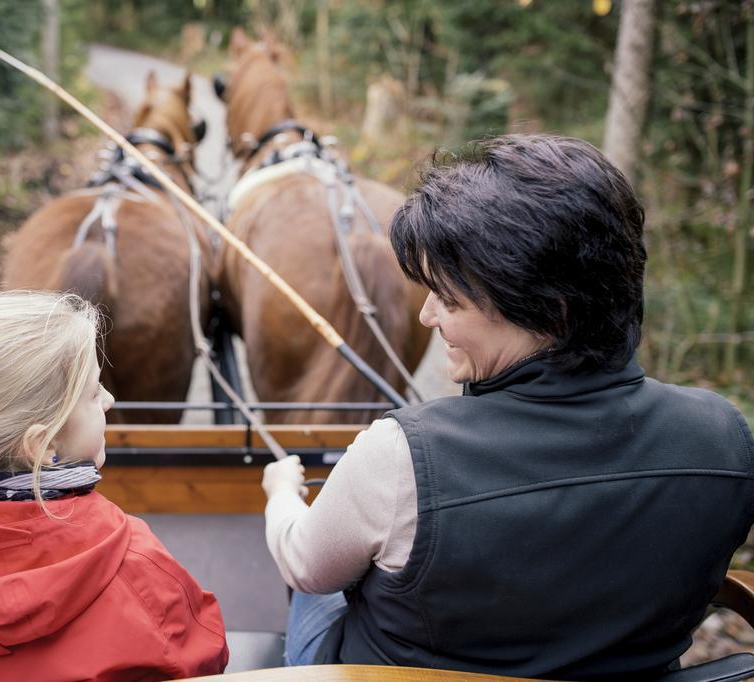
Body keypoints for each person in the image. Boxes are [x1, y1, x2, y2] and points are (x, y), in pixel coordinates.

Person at [262, 134, 754, 679]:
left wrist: (281, 493)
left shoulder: (399, 455)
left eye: (448, 298)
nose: (427, 316)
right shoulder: (724, 434)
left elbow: (306, 566)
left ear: (549, 309)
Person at [0, 291, 229, 681]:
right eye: (92, 392)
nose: (107, 399)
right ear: (44, 445)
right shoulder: (135, 568)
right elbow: (206, 662)